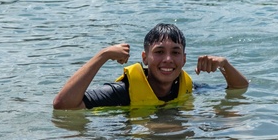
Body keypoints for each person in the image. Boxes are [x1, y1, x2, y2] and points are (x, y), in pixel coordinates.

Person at [52, 23, 248, 110]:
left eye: (176, 52)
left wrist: (224, 65)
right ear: (145, 58)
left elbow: (240, 88)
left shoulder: (187, 89)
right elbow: (63, 105)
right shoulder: (121, 92)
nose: (168, 59)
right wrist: (102, 56)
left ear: (184, 59)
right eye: (160, 52)